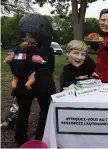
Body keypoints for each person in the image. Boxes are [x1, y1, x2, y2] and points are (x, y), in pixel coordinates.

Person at [13, 13, 55, 147]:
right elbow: (51, 68)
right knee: (44, 111)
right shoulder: (48, 50)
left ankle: (20, 138)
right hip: (43, 83)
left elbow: (16, 65)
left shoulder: (19, 50)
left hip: (23, 84)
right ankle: (40, 136)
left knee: (23, 112)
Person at [89, 8, 108, 83]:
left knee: (107, 79)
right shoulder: (98, 34)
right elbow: (95, 48)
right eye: (103, 20)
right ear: (99, 21)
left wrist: (104, 45)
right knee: (98, 77)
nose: (105, 23)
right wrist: (92, 42)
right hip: (100, 60)